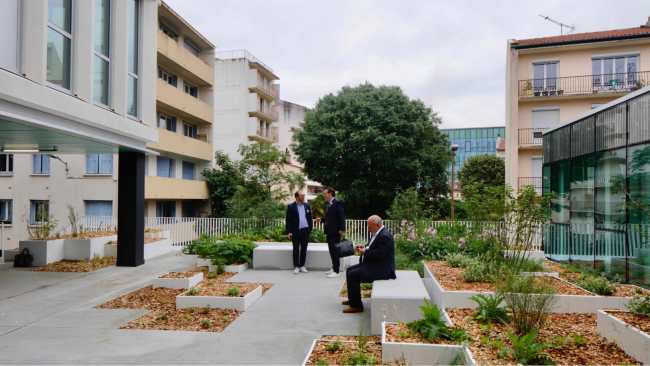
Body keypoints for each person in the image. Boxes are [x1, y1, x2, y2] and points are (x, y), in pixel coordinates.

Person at [342, 215, 396, 313]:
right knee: (350, 270)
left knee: (353, 274)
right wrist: (364, 247)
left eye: (370, 226)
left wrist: (365, 252)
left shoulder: (385, 236)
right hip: (375, 265)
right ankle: (353, 300)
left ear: (377, 225)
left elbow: (380, 254)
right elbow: (371, 246)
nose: (368, 228)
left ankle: (357, 306)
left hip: (382, 270)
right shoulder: (377, 233)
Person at [285, 191, 313, 274]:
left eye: (304, 195)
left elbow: (310, 218)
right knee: (296, 249)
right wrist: (289, 232)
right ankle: (296, 266)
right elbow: (288, 220)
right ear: (297, 197)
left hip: (305, 231)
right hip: (295, 231)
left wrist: (310, 229)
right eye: (302, 196)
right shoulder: (291, 207)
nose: (303, 197)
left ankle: (302, 265)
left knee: (304, 249)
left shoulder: (307, 205)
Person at [322, 187, 345, 278]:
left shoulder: (337, 204)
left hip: (335, 232)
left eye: (325, 194)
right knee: (331, 251)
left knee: (335, 251)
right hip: (329, 231)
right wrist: (321, 220)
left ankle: (336, 271)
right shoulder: (328, 204)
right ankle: (333, 267)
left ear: (330, 194)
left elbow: (341, 217)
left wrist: (342, 230)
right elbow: (329, 218)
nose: (324, 196)